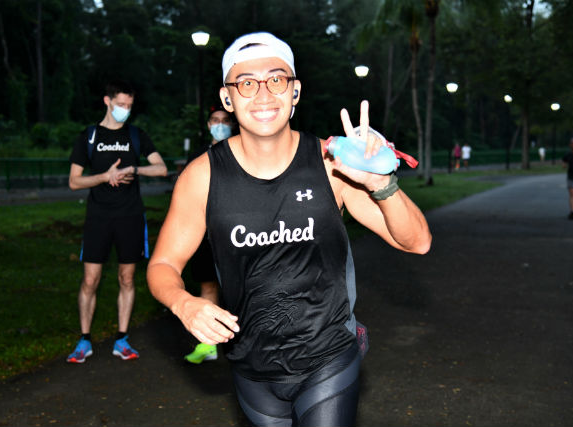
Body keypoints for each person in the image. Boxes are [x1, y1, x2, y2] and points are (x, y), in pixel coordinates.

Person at [147, 32, 431, 427]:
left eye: (276, 80)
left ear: (295, 92)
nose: (263, 94)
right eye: (247, 83)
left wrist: (381, 183)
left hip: (328, 356)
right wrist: (184, 303)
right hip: (252, 366)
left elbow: (417, 241)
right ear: (228, 98)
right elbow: (162, 265)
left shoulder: (332, 164)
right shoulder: (202, 177)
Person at [67, 80, 167, 363]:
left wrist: (134, 169)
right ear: (107, 101)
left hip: (130, 216)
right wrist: (104, 176)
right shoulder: (89, 136)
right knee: (90, 280)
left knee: (127, 278)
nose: (125, 109)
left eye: (129, 106)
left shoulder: (136, 135)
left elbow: (161, 169)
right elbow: (74, 181)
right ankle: (84, 340)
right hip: (98, 217)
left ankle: (122, 339)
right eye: (121, 104)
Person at [183, 106, 233, 364]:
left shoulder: (242, 152)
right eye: (215, 120)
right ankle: (208, 344)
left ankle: (250, 340)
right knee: (208, 284)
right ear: (208, 124)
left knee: (241, 286)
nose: (220, 125)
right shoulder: (198, 157)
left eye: (225, 120)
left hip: (237, 233)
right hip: (205, 233)